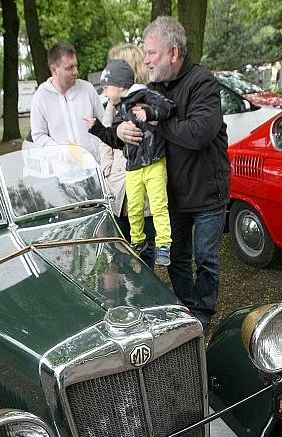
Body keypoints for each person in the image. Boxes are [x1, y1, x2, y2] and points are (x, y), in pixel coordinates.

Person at [117, 16, 231, 331]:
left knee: (205, 258)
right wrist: (124, 129)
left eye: (152, 53)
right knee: (177, 257)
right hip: (172, 193)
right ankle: (188, 307)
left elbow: (199, 133)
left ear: (173, 53)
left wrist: (159, 123)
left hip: (207, 192)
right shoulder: (151, 89)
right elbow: (134, 122)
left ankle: (204, 312)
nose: (147, 59)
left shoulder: (203, 82)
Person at [86, 59, 175, 267]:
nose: (106, 92)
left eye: (107, 87)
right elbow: (111, 138)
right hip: (125, 178)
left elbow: (168, 111)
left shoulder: (146, 96)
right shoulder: (117, 106)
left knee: (156, 211)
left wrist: (151, 114)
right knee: (125, 246)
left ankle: (162, 248)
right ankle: (138, 244)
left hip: (151, 166)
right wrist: (99, 130)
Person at [99, 43, 156, 269]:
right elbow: (104, 143)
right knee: (119, 258)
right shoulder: (111, 104)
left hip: (141, 196)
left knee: (143, 259)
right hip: (116, 194)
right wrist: (107, 173)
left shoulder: (147, 103)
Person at [29, 42, 104, 161]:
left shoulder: (87, 89)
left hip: (95, 169)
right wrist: (62, 153)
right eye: (69, 68)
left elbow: (105, 122)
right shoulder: (41, 97)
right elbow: (38, 135)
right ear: (54, 69)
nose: (76, 72)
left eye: (75, 66)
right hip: (63, 174)